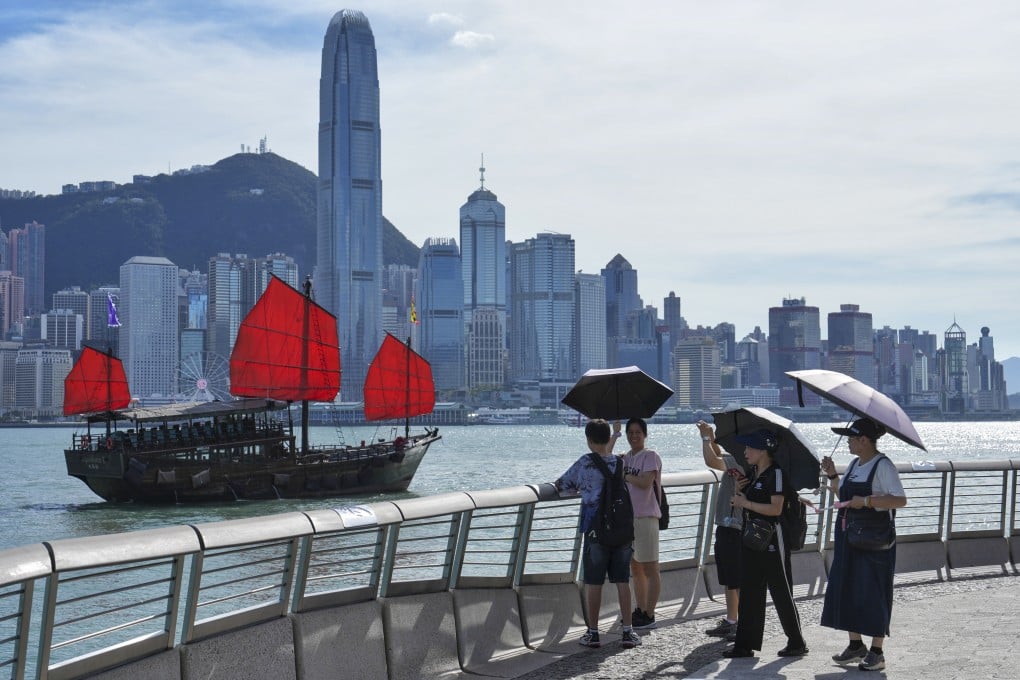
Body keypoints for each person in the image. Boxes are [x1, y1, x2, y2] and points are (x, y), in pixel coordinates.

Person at [820, 417, 907, 672]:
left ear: (864, 441)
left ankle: (877, 652)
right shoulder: (855, 464)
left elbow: (900, 500)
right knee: (846, 587)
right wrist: (833, 475)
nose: (847, 441)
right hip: (849, 536)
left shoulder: (883, 465)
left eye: (851, 437)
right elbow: (844, 496)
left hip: (874, 540)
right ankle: (856, 644)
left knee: (874, 592)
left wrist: (868, 501)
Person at [554, 418, 642, 650]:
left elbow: (561, 484)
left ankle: (593, 633)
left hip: (595, 530)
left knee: (594, 582)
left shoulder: (586, 463)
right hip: (622, 529)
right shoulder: (620, 463)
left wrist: (579, 490)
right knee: (623, 580)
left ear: (589, 440)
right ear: (606, 438)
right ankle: (628, 631)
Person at [723, 429, 808, 659]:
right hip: (752, 539)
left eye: (749, 447)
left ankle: (796, 642)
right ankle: (744, 644)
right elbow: (751, 500)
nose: (745, 452)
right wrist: (741, 491)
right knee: (750, 591)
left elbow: (776, 509)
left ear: (762, 450)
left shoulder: (776, 474)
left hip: (772, 538)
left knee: (781, 590)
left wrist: (745, 503)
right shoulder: (753, 473)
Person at [696, 420, 745, 640]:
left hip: (733, 525)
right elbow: (719, 454)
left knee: (734, 578)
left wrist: (706, 439)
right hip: (731, 525)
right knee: (730, 577)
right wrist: (712, 438)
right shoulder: (746, 457)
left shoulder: (740, 459)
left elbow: (712, 460)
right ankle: (733, 619)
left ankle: (738, 622)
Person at [619, 417, 663, 630]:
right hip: (629, 519)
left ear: (645, 434)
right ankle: (640, 608)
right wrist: (615, 433)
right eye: (630, 432)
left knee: (650, 567)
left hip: (646, 517)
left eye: (638, 432)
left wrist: (626, 476)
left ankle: (650, 613)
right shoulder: (625, 458)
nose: (634, 436)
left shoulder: (650, 456)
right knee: (635, 568)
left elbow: (646, 482)